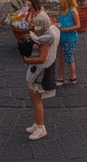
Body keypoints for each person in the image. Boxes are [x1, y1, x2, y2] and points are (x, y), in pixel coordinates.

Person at [22, 11, 58, 141]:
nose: (35, 27)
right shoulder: (51, 31)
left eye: (37, 25)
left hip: (40, 71)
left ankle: (41, 127)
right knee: (34, 97)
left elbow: (42, 58)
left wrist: (26, 59)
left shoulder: (46, 39)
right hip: (44, 69)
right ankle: (38, 123)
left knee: (36, 98)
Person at [55, 0, 79, 85]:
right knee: (62, 56)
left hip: (69, 37)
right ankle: (60, 76)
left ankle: (73, 76)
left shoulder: (73, 11)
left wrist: (66, 29)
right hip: (63, 37)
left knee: (68, 56)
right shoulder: (62, 11)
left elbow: (78, 25)